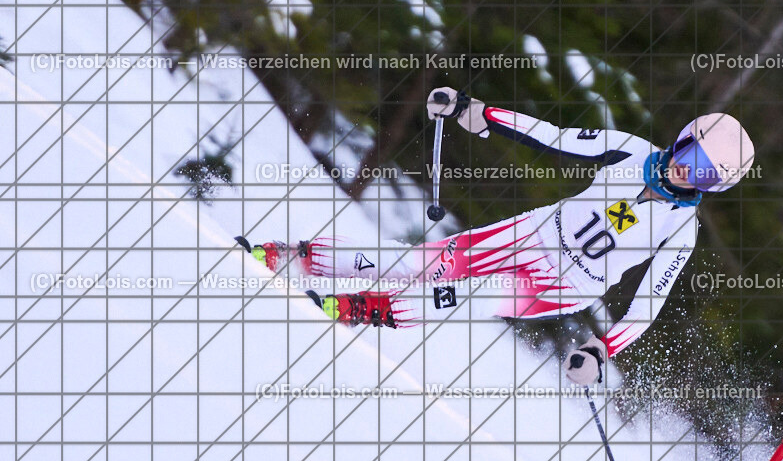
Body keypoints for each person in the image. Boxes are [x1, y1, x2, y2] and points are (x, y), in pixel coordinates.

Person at [241, 87, 754, 386]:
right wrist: (476, 113)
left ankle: (357, 309)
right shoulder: (628, 149)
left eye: (707, 177)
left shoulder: (680, 231)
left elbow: (649, 304)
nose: (690, 176)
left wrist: (601, 350)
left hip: (564, 281)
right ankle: (300, 258)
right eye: (692, 161)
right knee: (421, 263)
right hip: (533, 231)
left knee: (467, 297)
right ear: (683, 140)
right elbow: (551, 137)